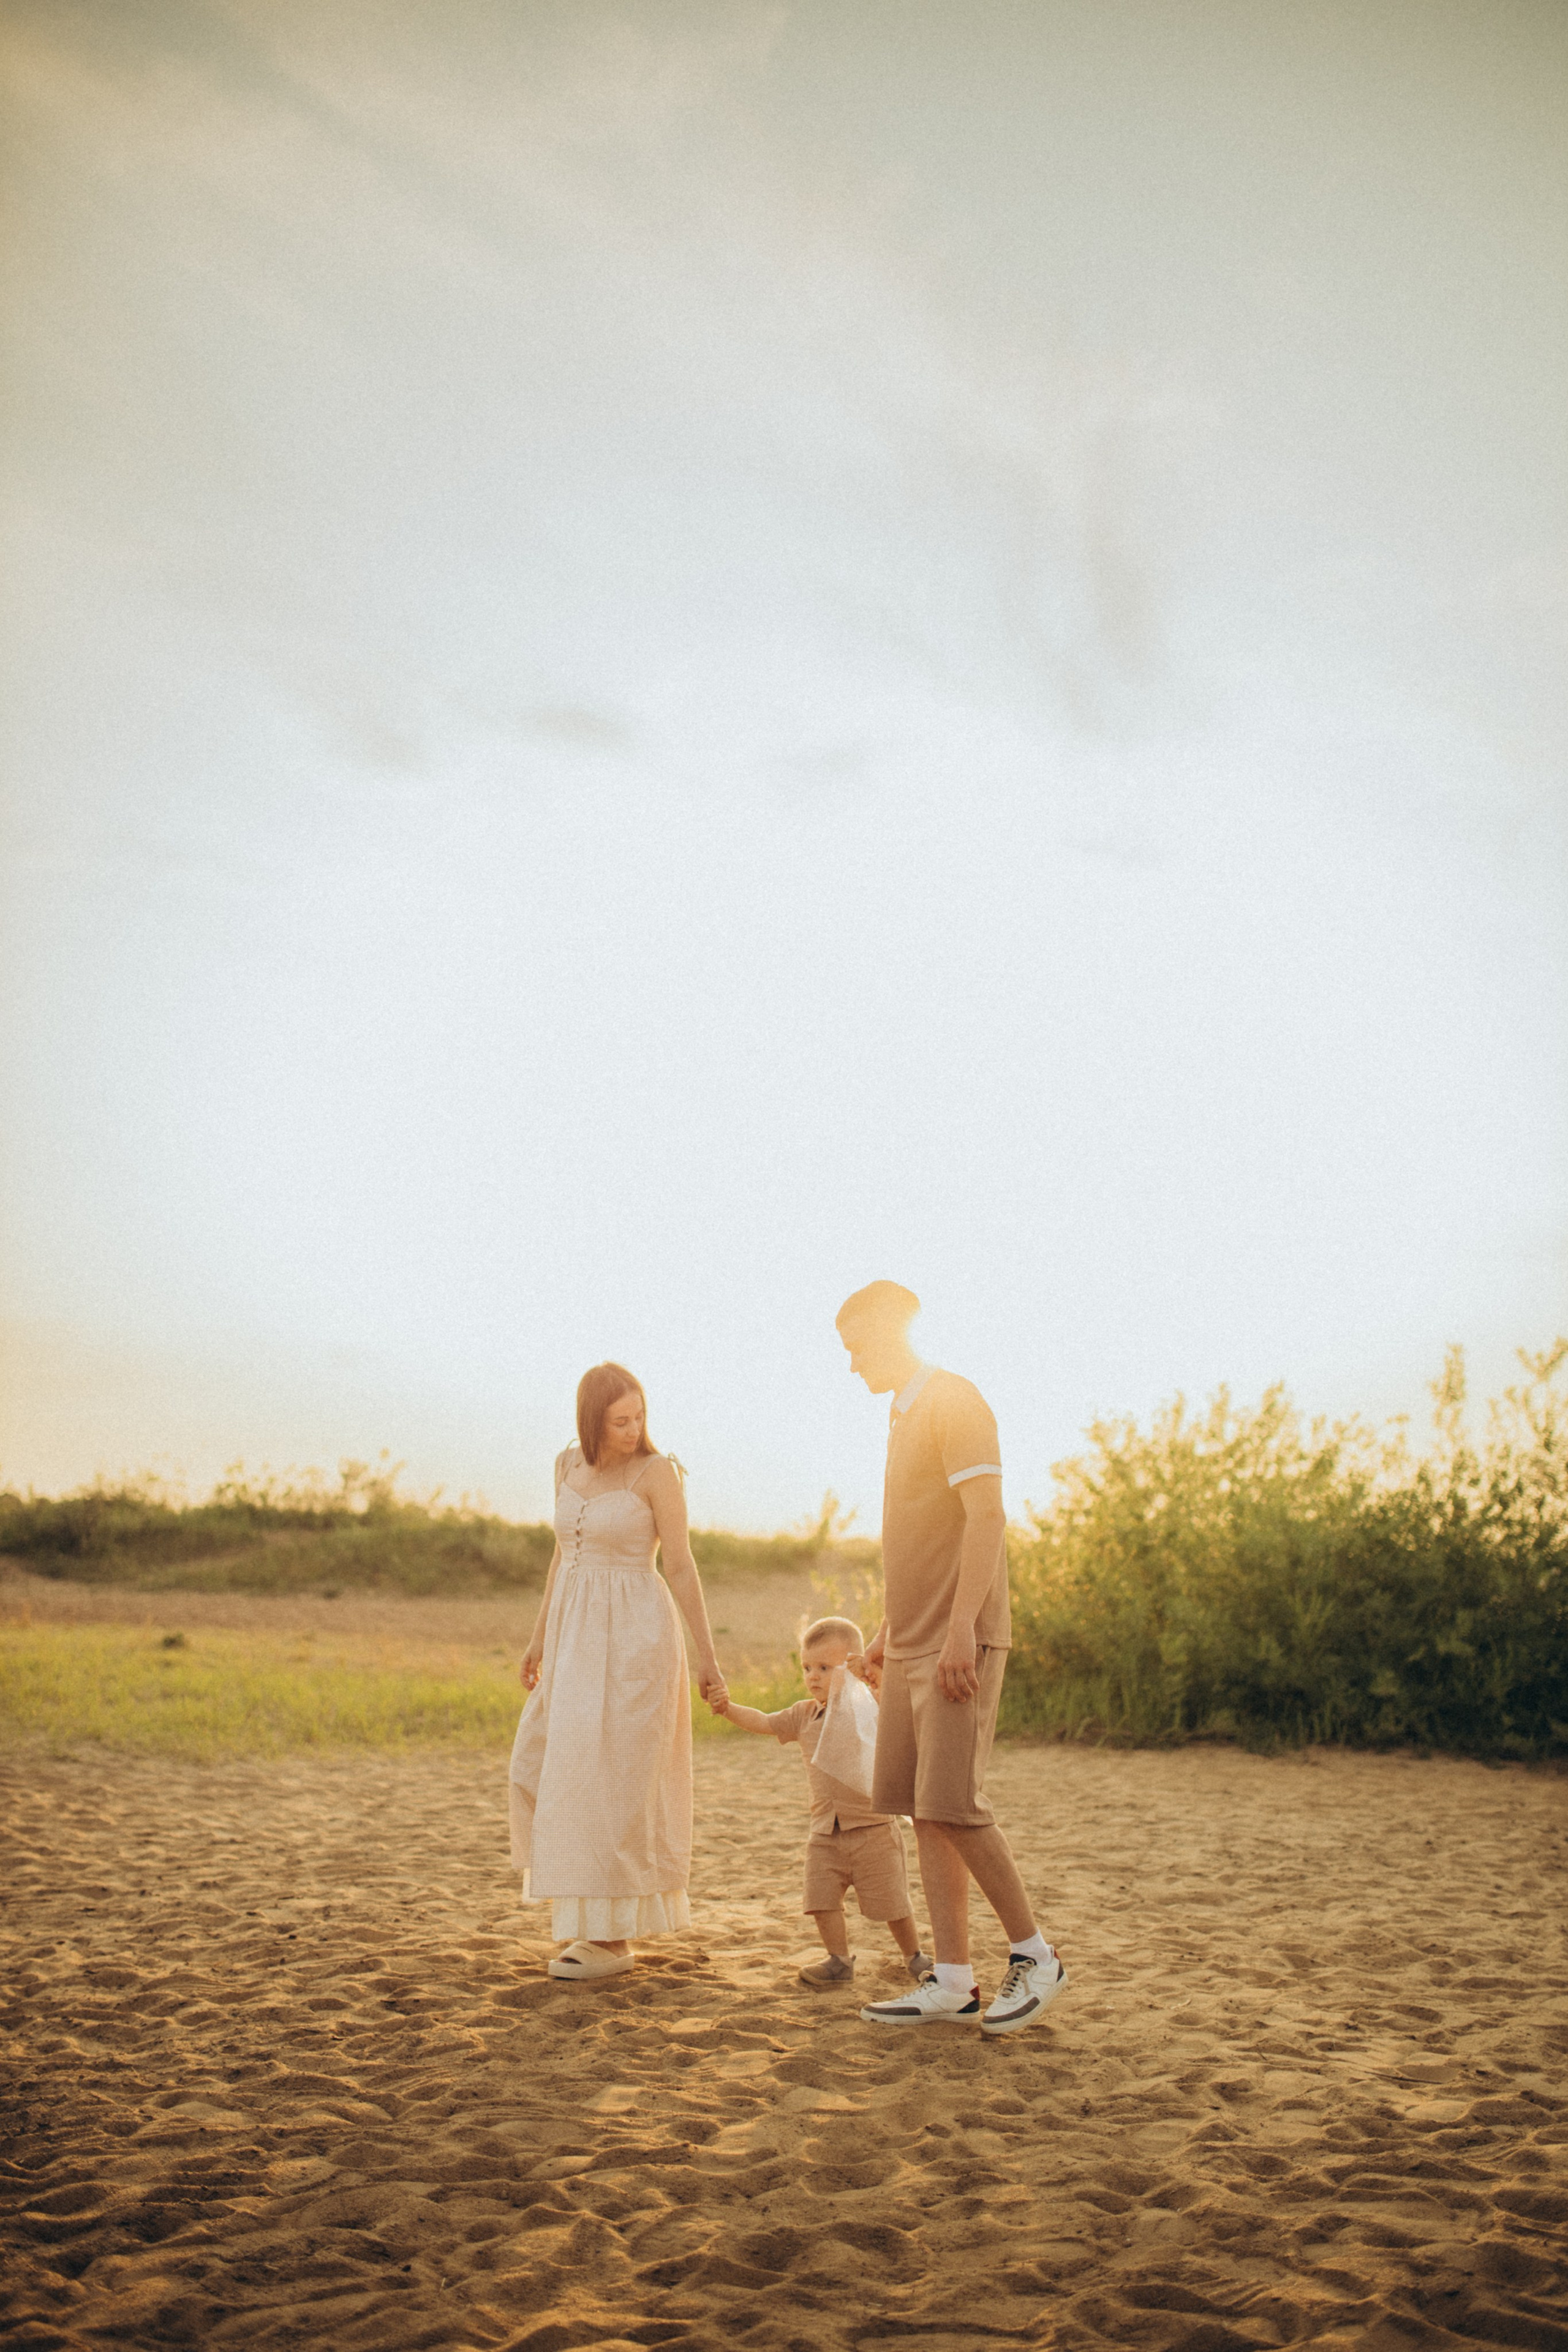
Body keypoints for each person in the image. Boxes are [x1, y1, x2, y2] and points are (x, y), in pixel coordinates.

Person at [835, 1281, 1068, 2035]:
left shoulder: (955, 1401)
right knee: (921, 1808)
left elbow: (986, 1517)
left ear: (890, 1332)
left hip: (956, 1641)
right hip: (910, 1639)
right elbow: (921, 1542)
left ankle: (1036, 1955)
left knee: (956, 1807)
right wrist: (885, 1631)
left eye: (856, 1348)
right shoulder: (901, 1413)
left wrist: (964, 1627)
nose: (851, 1366)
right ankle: (955, 1980)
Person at [509, 1363, 727, 1981]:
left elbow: (681, 1567)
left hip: (637, 1637)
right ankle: (588, 1924)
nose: (634, 1430)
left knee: (621, 1781)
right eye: (621, 1420)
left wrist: (708, 1656)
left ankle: (612, 1941)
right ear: (591, 1420)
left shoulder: (658, 1474)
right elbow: (561, 1558)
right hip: (573, 1635)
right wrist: (536, 1641)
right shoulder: (565, 1465)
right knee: (556, 1767)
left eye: (640, 1417)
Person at [712, 1615, 930, 1990]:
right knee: (821, 1898)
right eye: (807, 1668)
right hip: (825, 1830)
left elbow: (896, 1706)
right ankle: (839, 1959)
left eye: (825, 1668)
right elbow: (764, 1721)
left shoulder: (869, 1708)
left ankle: (914, 1955)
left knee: (892, 1901)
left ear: (853, 1666)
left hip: (872, 1828)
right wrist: (728, 1708)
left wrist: (873, 1674)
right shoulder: (803, 1715)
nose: (813, 1676)